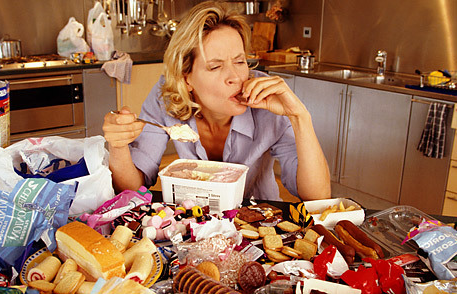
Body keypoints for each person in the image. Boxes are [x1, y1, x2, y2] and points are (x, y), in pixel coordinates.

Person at [103, 1, 331, 201]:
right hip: (191, 221)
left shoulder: (269, 99)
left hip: (257, 223)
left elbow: (317, 196)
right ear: (187, 78)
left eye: (240, 62)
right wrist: (118, 145)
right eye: (215, 66)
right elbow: (132, 188)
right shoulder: (167, 97)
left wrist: (299, 117)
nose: (236, 77)